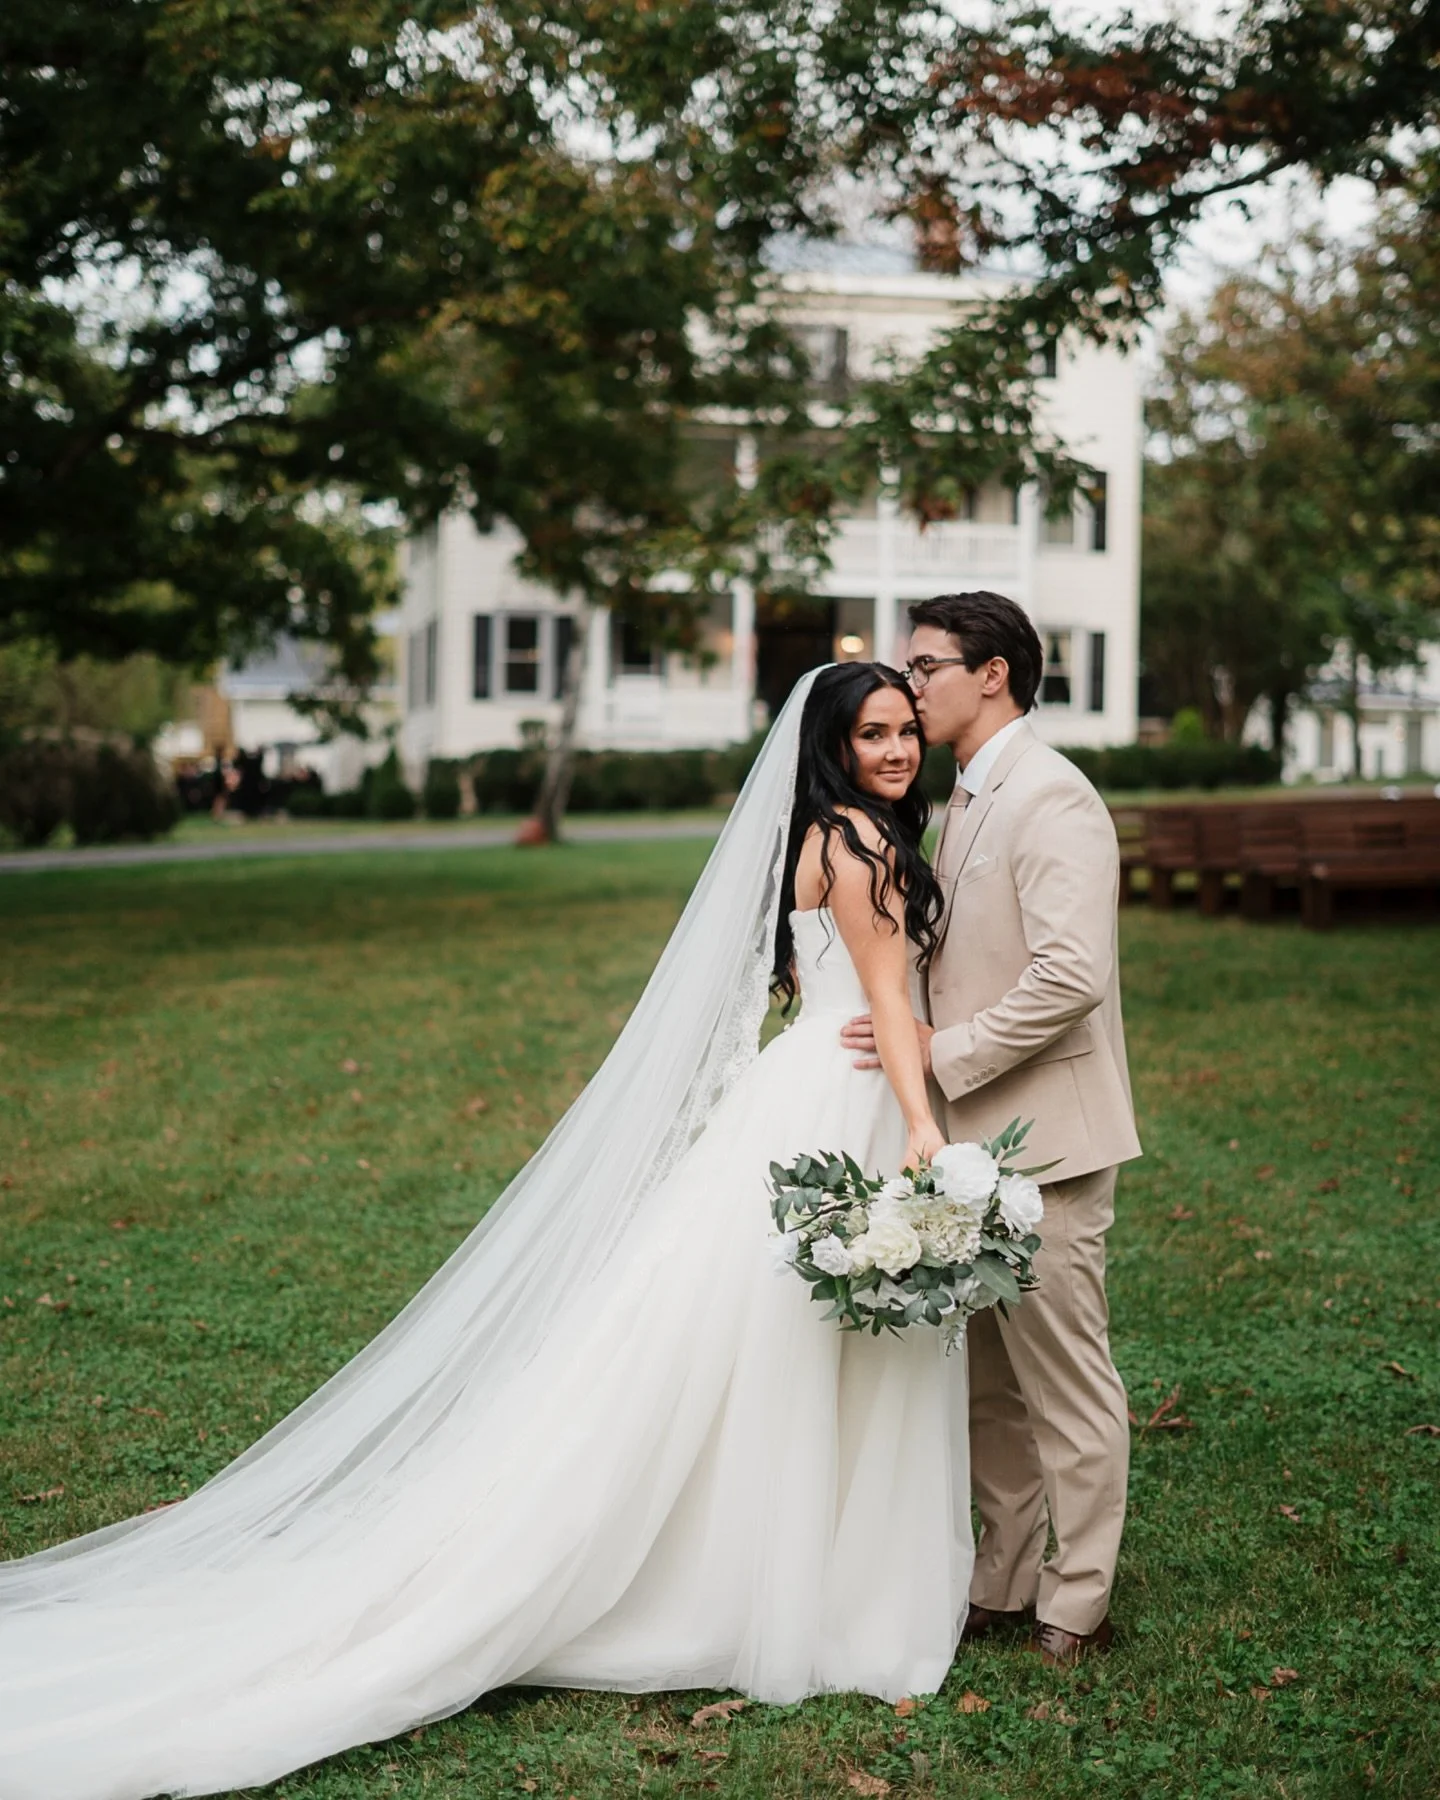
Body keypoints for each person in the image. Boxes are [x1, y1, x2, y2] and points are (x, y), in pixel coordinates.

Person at [0, 664, 973, 1800]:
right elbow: (888, 1005)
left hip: (798, 1087)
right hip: (849, 1099)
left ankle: (769, 1567)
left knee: (755, 1338)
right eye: (875, 733)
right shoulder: (862, 848)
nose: (900, 749)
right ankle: (796, 1587)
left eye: (908, 730)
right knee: (803, 1338)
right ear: (833, 743)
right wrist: (919, 1123)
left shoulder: (816, 835)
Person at [843, 591, 1141, 1667]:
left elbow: (1071, 975)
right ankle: (1004, 1580)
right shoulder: (964, 794)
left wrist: (941, 1052)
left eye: (925, 668)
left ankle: (1080, 1599)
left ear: (993, 674)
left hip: (1047, 1138)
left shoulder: (1052, 798)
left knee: (1064, 1381)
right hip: (966, 1148)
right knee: (987, 1388)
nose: (909, 686)